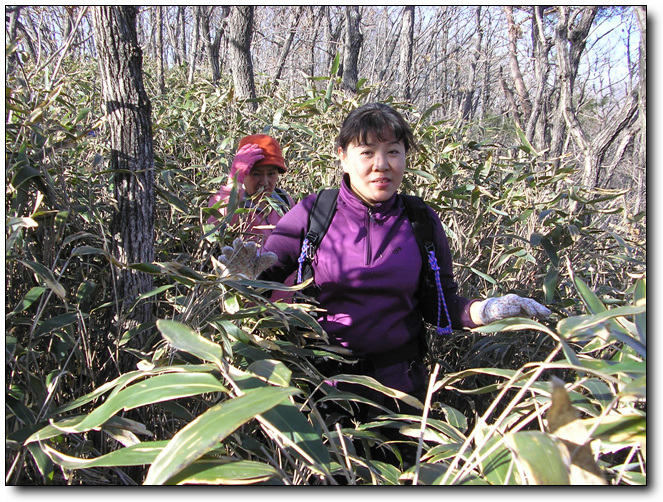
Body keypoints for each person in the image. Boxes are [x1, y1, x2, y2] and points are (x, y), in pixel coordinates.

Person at [207, 134, 295, 243]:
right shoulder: (228, 201)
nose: (264, 182)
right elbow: (215, 232)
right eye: (256, 174)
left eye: (271, 174)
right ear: (244, 174)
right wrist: (234, 181)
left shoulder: (283, 200)